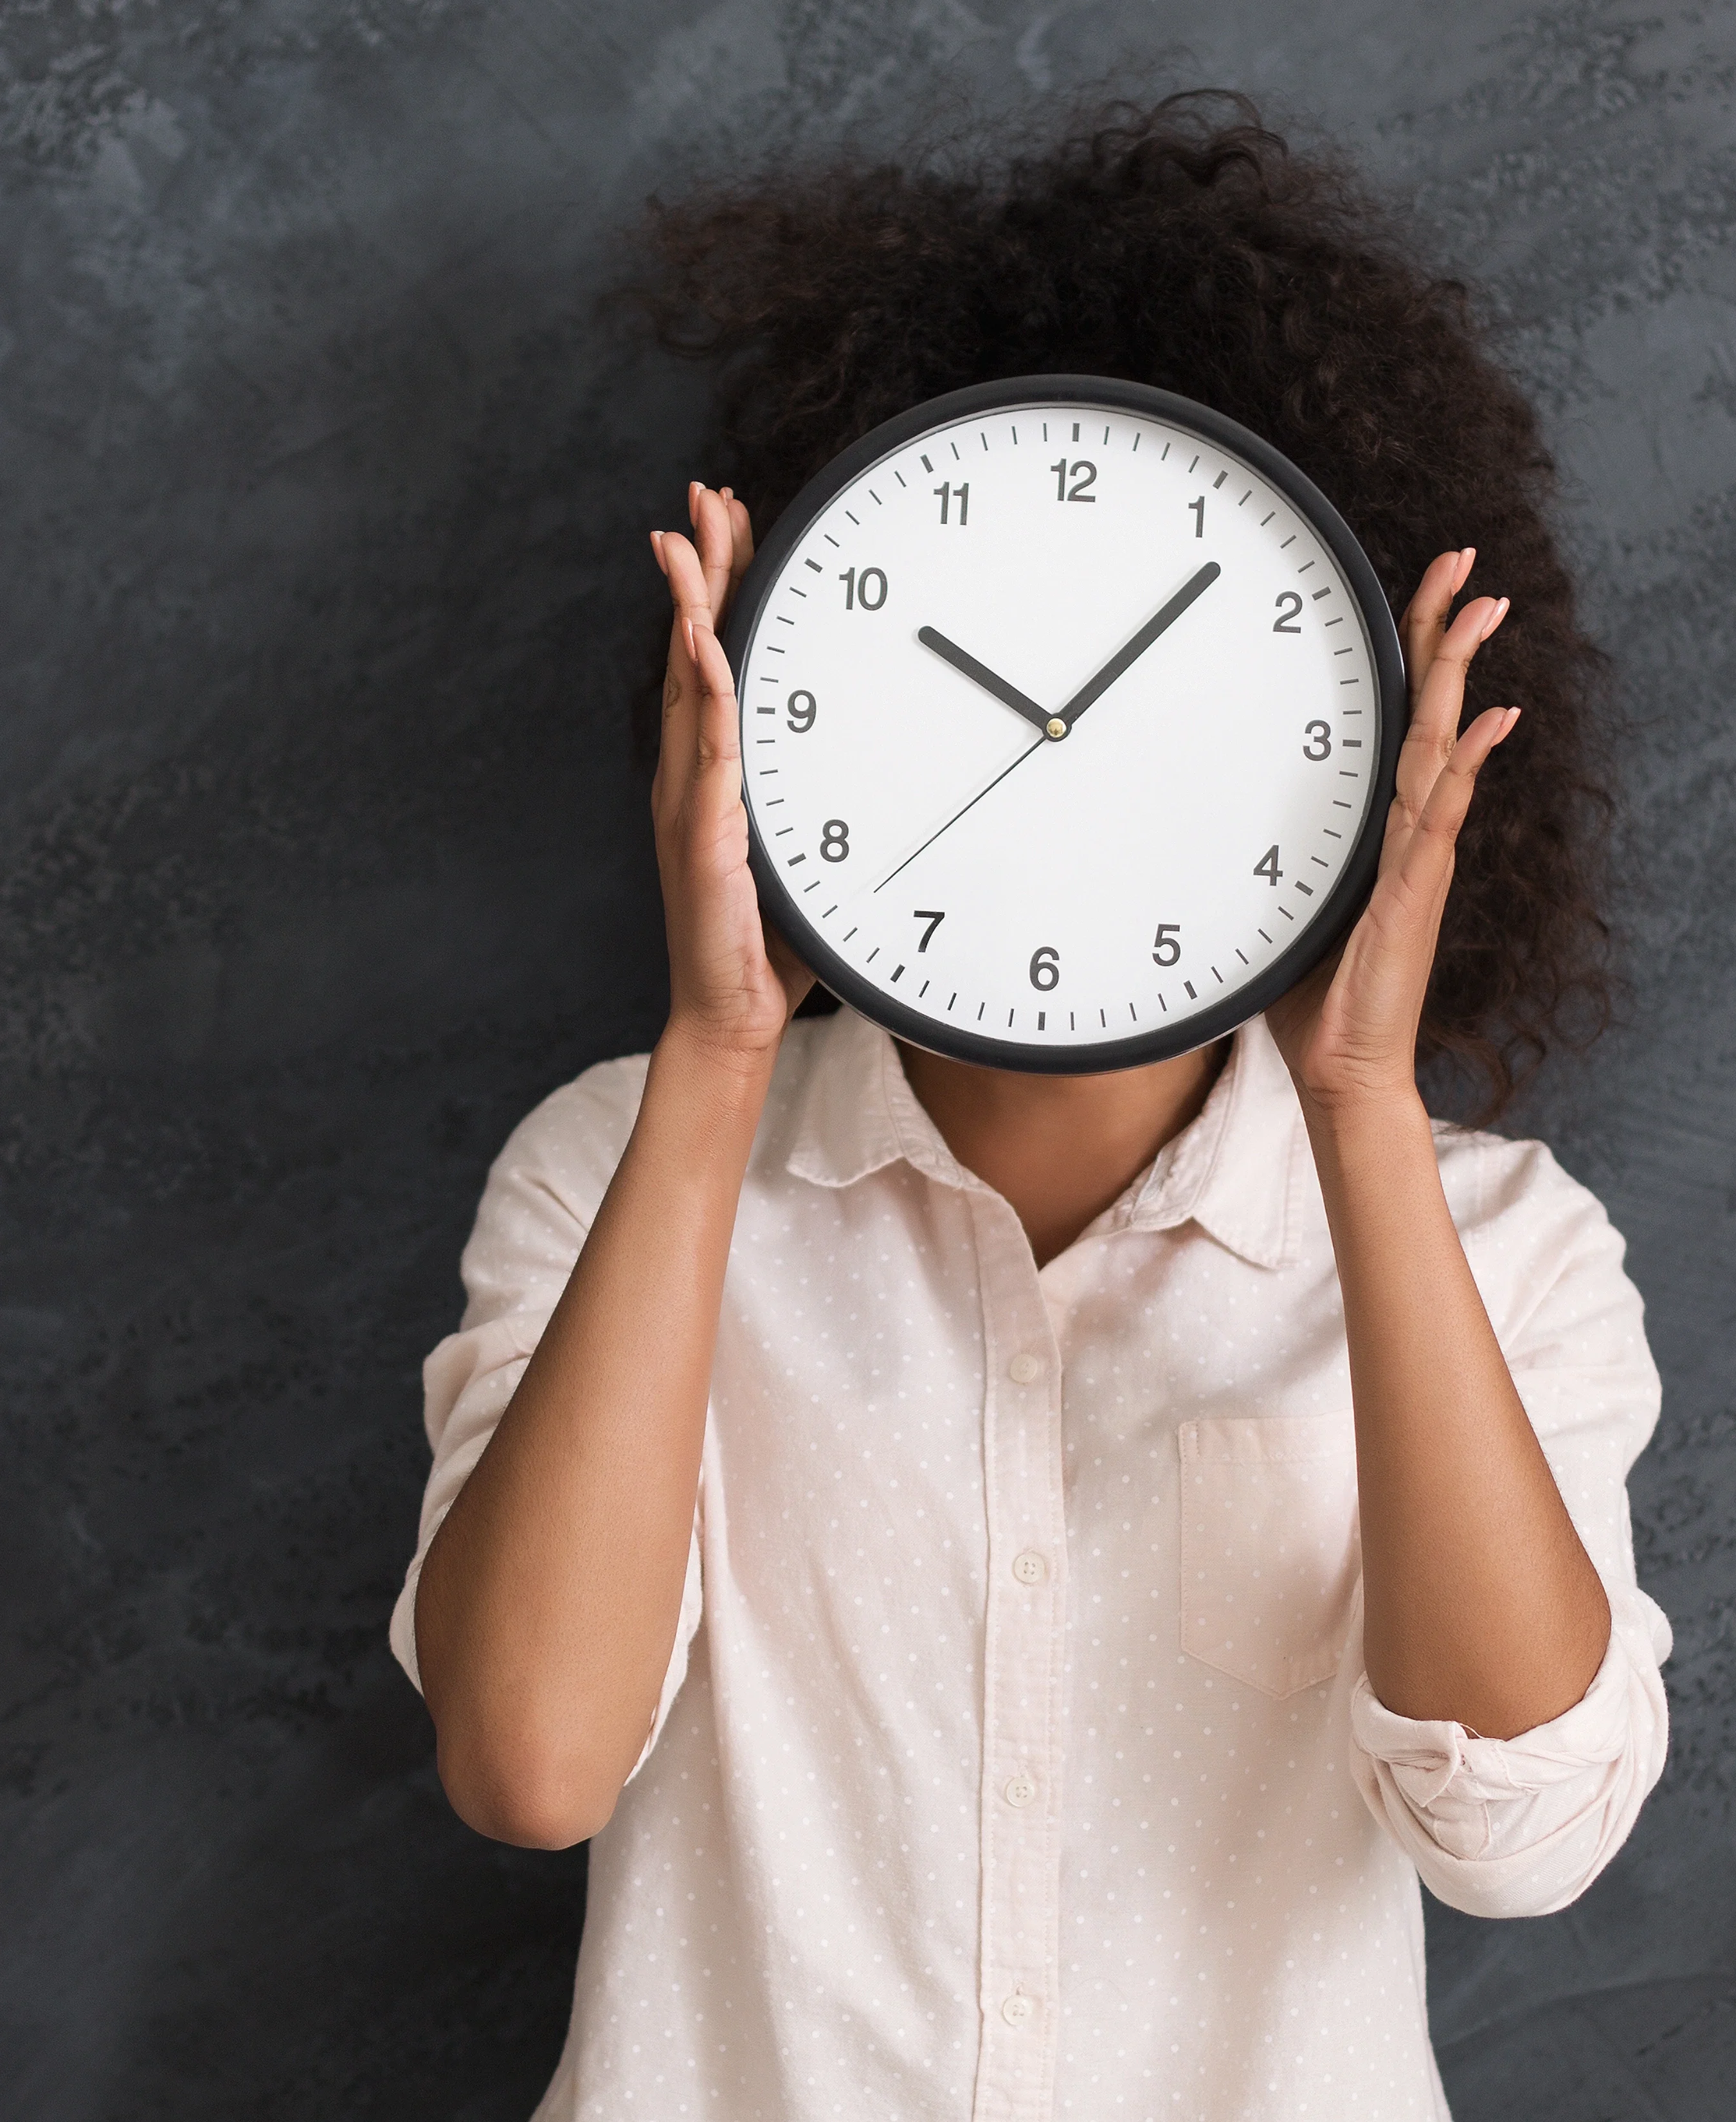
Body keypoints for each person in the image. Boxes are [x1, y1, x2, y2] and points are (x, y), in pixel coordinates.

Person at [390, 91, 1671, 2121]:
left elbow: (1518, 1838)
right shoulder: (611, 1163)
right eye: (982, 694)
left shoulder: (1505, 1242)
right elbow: (529, 1765)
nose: (1068, 754)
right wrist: (719, 1056)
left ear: (1340, 740)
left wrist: (1354, 1106)